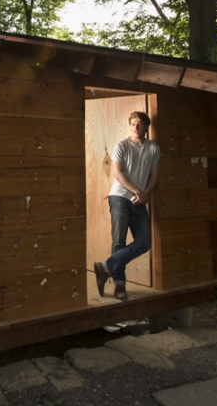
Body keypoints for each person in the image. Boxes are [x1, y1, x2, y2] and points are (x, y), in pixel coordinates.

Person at [93, 110, 160, 300]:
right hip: (120, 197)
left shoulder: (153, 148)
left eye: (139, 124)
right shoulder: (121, 145)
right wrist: (137, 192)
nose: (136, 128)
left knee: (143, 243)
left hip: (140, 200)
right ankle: (119, 285)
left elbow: (154, 176)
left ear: (146, 126)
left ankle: (104, 267)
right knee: (118, 241)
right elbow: (118, 174)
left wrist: (144, 194)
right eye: (132, 124)